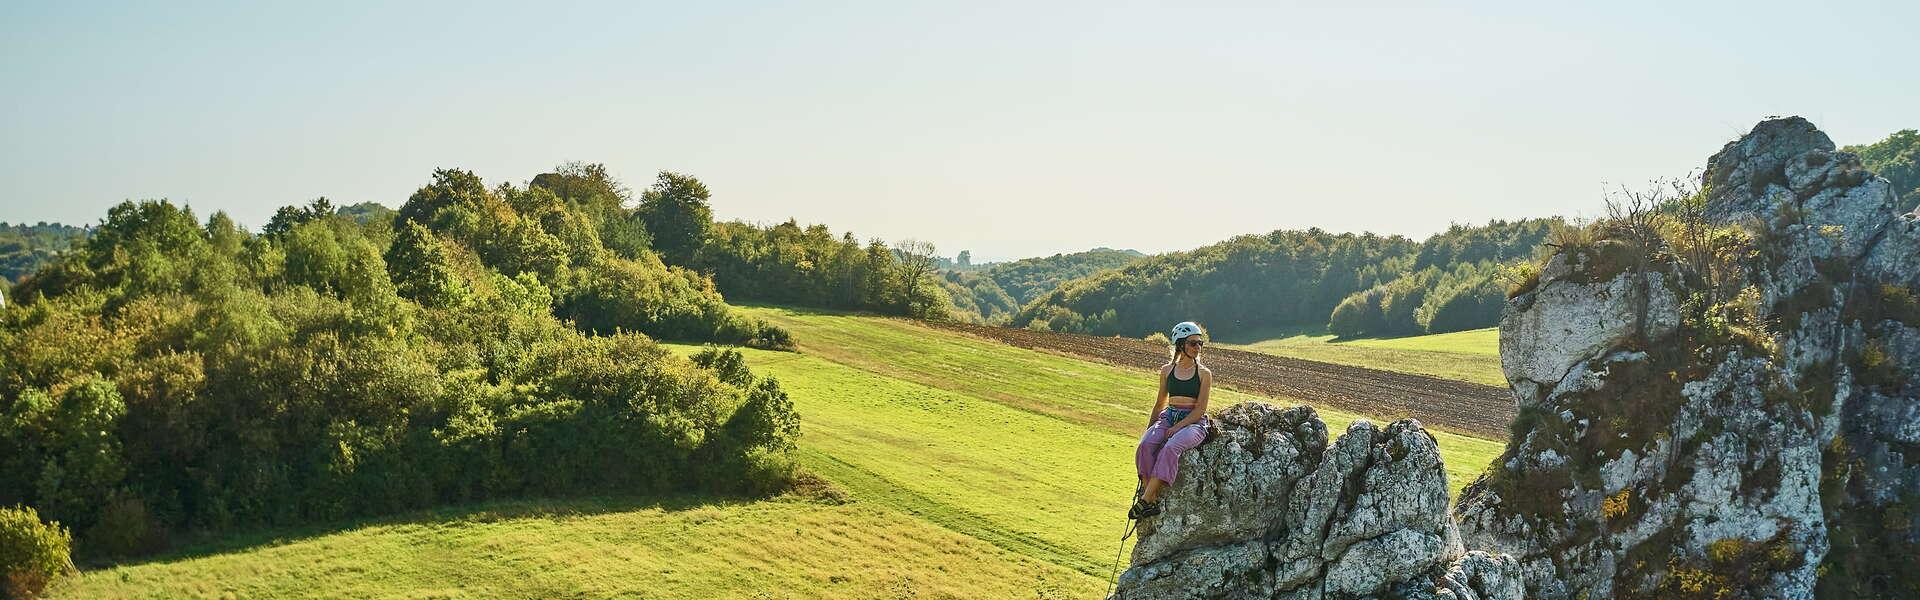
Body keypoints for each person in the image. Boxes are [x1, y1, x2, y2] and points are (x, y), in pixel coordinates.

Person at [1130, 321, 1210, 519]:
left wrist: (1178, 427)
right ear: (1180, 344)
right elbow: (1159, 404)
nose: (1197, 347)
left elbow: (1200, 409)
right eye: (1193, 343)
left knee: (1171, 447)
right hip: (1169, 416)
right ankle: (1152, 500)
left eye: (1200, 343)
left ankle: (1146, 499)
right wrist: (1149, 430)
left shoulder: (1204, 374)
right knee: (1145, 445)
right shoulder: (1167, 370)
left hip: (1193, 422)